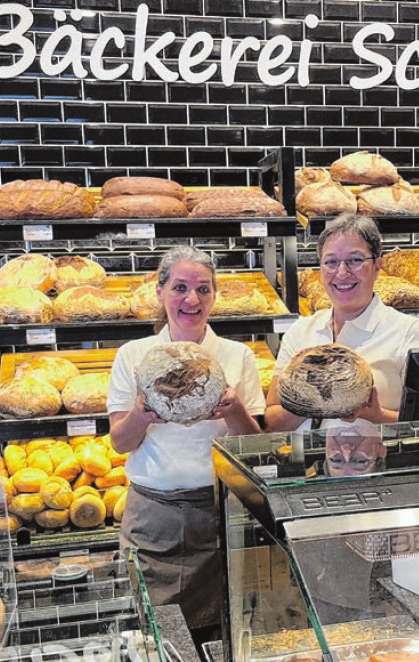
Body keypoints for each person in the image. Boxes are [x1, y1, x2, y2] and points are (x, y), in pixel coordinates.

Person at [106, 246, 265, 636]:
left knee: (222, 632)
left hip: (219, 516)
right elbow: (120, 443)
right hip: (152, 517)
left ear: (214, 296)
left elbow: (256, 447)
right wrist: (142, 412)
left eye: (204, 289)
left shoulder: (236, 355)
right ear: (160, 292)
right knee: (159, 635)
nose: (192, 299)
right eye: (179, 287)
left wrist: (234, 408)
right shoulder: (134, 356)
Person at [266, 213, 419, 432]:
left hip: (379, 462)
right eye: (331, 262)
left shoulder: (407, 333)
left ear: (377, 266)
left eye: (355, 260)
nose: (342, 272)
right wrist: (311, 400)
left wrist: (378, 416)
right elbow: (272, 418)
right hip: (310, 464)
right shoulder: (301, 332)